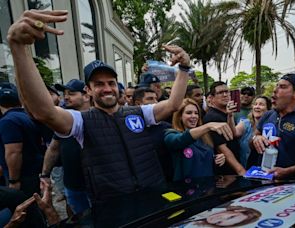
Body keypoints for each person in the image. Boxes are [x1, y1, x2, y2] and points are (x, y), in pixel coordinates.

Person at [7, 9, 190, 202]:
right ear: (88, 90)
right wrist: (19, 48)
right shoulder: (80, 121)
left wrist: (184, 68)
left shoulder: (138, 112)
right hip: (112, 205)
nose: (107, 88)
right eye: (99, 84)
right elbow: (44, 112)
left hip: (153, 195)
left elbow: (173, 104)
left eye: (111, 82)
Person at [251, 73, 295, 179]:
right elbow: (252, 142)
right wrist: (255, 138)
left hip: (291, 188)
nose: (275, 90)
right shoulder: (267, 115)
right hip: (263, 181)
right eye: (277, 86)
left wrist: (288, 171)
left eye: (283, 87)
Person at [42, 79, 91, 216]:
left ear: (86, 95)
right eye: (65, 94)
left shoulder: (98, 118)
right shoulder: (64, 122)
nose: (66, 97)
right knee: (77, 219)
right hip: (73, 185)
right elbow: (53, 148)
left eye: (71, 93)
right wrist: (45, 174)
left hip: (97, 187)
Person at [164, 98, 227, 180]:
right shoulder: (170, 135)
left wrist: (217, 159)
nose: (194, 116)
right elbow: (181, 140)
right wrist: (208, 126)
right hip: (185, 189)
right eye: (189, 113)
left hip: (208, 188)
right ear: (179, 116)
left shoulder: (205, 136)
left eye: (196, 113)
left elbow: (202, 159)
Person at [0, 83, 44, 196]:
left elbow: (14, 152)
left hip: (22, 176)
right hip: (33, 172)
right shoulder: (26, 116)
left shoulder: (8, 121)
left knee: (25, 209)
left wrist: (13, 180)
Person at [203, 82, 246, 176]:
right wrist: (241, 171)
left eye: (227, 92)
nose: (225, 95)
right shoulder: (213, 117)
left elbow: (233, 134)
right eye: (220, 92)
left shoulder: (227, 114)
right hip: (226, 172)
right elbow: (222, 148)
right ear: (212, 97)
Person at [235, 96, 271, 168]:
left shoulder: (271, 127)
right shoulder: (245, 123)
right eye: (255, 104)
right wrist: (229, 115)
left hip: (266, 170)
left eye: (261, 104)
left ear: (268, 110)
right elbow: (234, 134)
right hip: (244, 170)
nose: (257, 106)